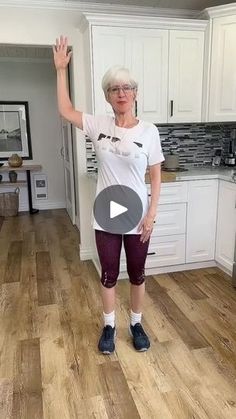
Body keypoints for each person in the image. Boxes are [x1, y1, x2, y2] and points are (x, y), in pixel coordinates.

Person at [53, 36, 164, 354]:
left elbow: (155, 175)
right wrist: (61, 70)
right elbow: (65, 109)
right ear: (107, 96)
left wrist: (152, 213)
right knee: (109, 274)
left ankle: (137, 323)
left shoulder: (149, 131)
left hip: (139, 214)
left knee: (139, 273)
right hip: (107, 213)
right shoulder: (98, 124)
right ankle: (110, 325)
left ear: (136, 93)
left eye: (127, 87)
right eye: (115, 89)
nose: (122, 93)